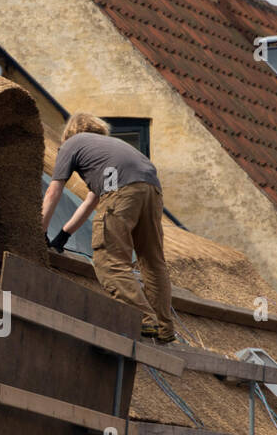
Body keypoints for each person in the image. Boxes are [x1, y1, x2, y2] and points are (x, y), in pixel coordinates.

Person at [40, 112, 175, 343]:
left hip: (122, 190)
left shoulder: (72, 144)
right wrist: (64, 235)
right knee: (152, 261)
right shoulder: (111, 148)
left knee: (109, 260)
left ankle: (144, 318)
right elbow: (92, 199)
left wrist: (38, 230)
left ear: (70, 133)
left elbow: (54, 190)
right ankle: (165, 327)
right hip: (152, 190)